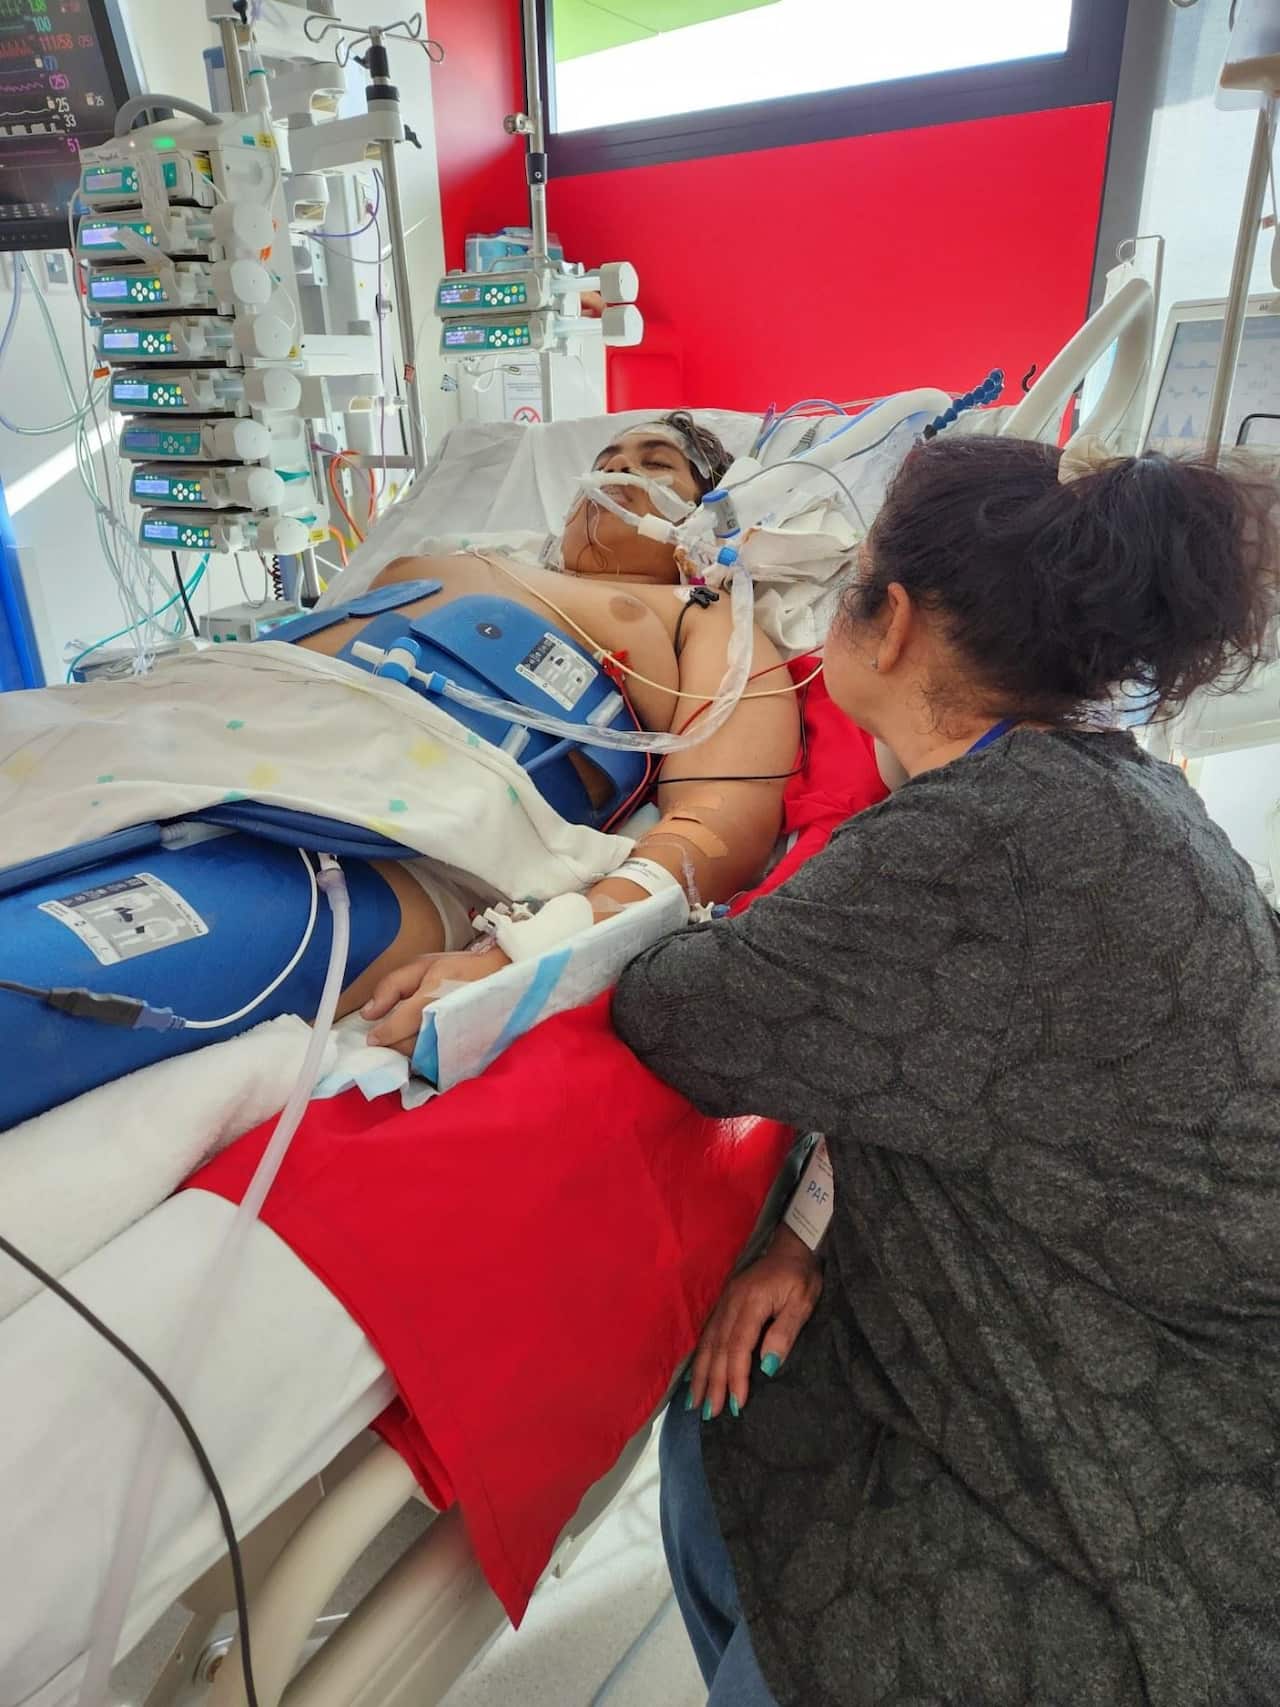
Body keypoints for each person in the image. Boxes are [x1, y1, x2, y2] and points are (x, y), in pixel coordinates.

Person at [611, 434, 1280, 1706]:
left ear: (894, 618)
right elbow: (988, 1052)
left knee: (754, 1468)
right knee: (727, 1425)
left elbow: (681, 1014)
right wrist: (812, 1221)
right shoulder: (1120, 793)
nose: (624, 484)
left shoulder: (975, 842)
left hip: (1164, 1472)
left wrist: (612, 894)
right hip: (1162, 1317)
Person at [0, 414, 800, 1120]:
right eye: (607, 454)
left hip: (364, 839)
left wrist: (535, 947)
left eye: (654, 463)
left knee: (26, 986)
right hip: (171, 727)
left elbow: (723, 823)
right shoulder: (478, 556)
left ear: (704, 517)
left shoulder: (704, 617)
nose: (615, 472)